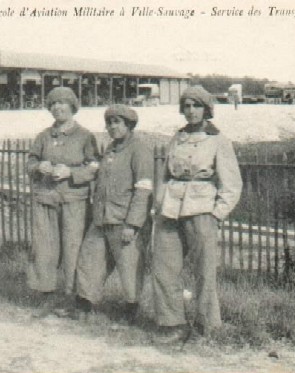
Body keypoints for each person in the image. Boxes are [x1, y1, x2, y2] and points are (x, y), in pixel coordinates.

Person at [152, 85, 242, 343]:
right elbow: (166, 175)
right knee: (164, 267)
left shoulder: (218, 140)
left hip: (202, 209)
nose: (191, 111)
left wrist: (217, 213)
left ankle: (206, 327)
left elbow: (232, 183)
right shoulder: (177, 137)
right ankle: (173, 324)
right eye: (187, 106)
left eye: (197, 106)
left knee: (204, 271)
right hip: (170, 209)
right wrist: (159, 204)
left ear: (206, 109)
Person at [74, 104, 153, 324]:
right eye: (109, 123)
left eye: (117, 122)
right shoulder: (110, 149)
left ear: (128, 125)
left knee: (129, 267)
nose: (112, 127)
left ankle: (131, 311)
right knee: (90, 260)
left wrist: (133, 224)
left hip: (124, 221)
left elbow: (143, 189)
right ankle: (84, 304)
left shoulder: (139, 150)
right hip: (102, 218)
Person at [26, 87, 99, 317]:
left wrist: (71, 173)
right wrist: (39, 167)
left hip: (73, 202)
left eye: (63, 103)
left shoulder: (85, 136)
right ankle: (46, 296)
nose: (58, 107)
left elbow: (94, 167)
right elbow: (30, 161)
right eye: (53, 104)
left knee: (73, 249)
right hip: (46, 200)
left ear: (72, 106)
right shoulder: (44, 136)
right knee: (45, 249)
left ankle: (75, 299)